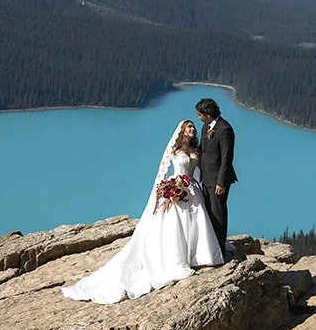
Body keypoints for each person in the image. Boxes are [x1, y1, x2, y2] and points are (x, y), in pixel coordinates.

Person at [61, 119, 225, 304]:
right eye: (189, 127)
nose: (192, 129)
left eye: (193, 127)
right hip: (178, 186)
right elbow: (165, 170)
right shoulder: (175, 150)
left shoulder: (197, 150)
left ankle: (198, 254)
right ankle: (180, 258)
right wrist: (167, 189)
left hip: (192, 189)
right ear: (182, 131)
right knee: (178, 225)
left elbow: (199, 170)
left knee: (196, 222)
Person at [194, 96, 238, 257]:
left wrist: (221, 183)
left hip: (218, 180)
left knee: (218, 215)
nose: (198, 117)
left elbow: (227, 157)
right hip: (206, 178)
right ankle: (211, 246)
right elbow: (202, 149)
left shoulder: (224, 129)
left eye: (199, 114)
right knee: (208, 213)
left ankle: (219, 250)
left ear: (207, 114)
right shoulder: (207, 126)